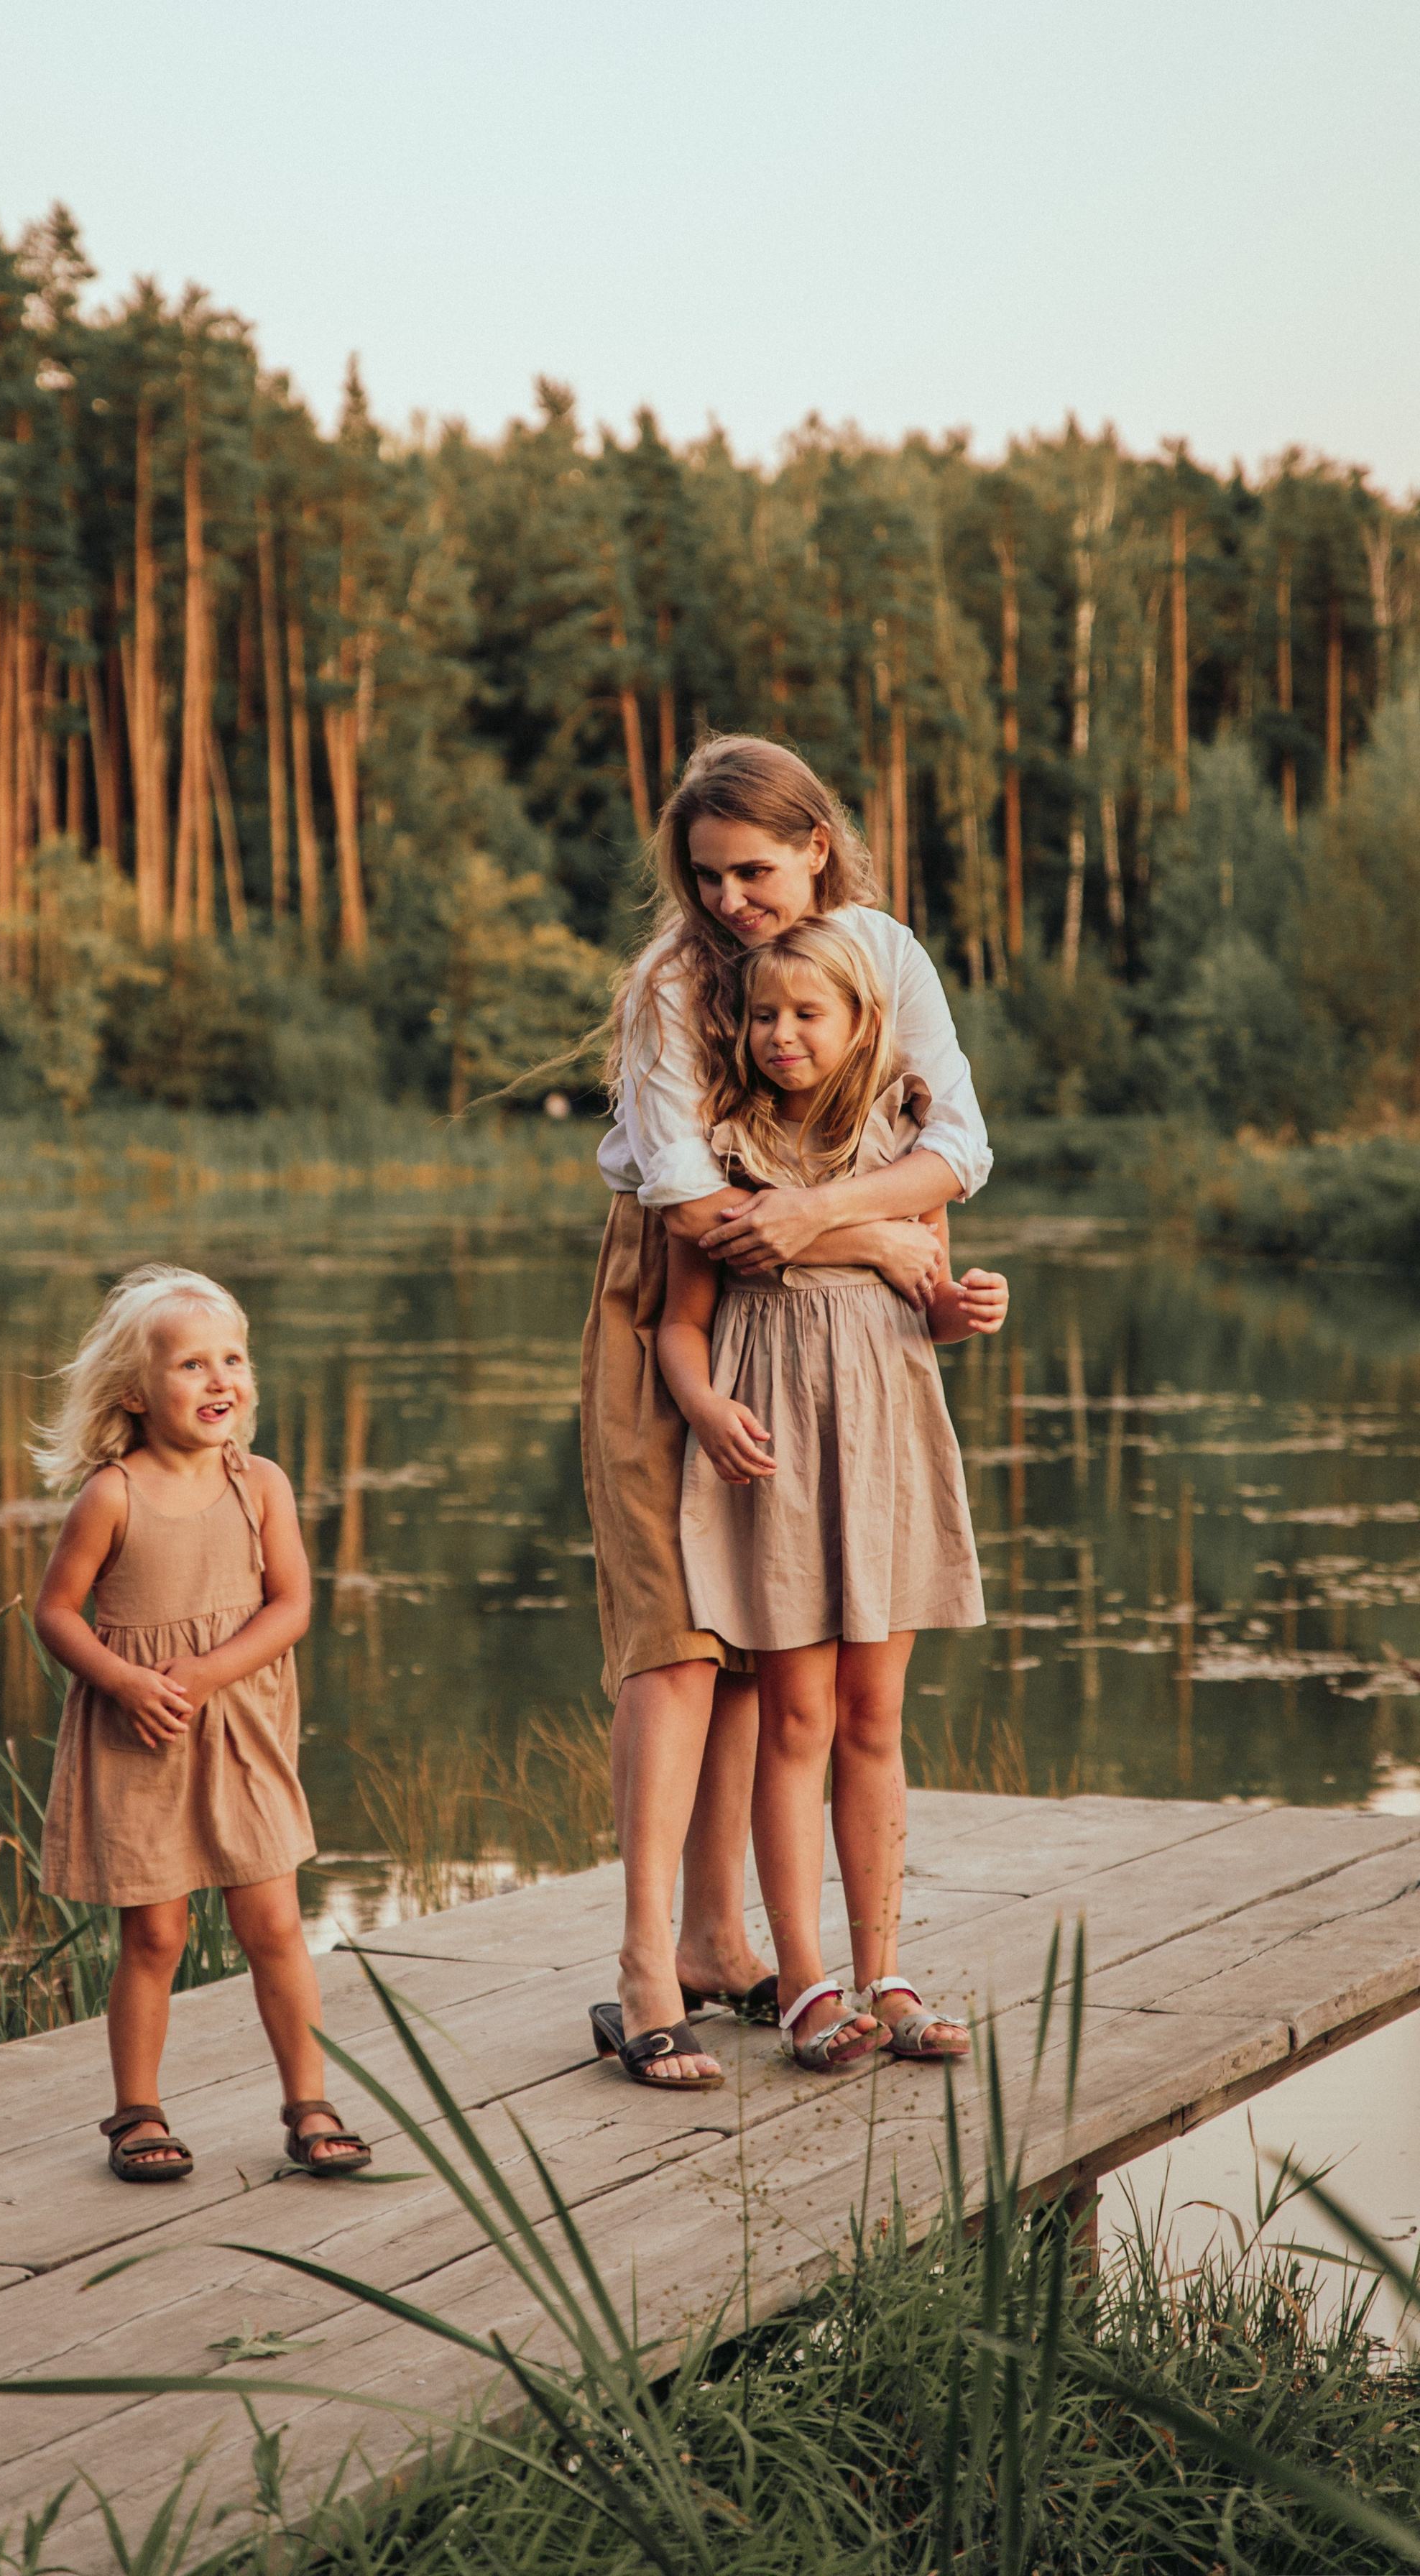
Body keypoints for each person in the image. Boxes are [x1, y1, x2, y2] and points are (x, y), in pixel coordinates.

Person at [581, 735, 992, 2089]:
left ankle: (724, 1938)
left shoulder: (876, 949)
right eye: (705, 877)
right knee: (679, 1635)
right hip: (685, 1296)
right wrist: (874, 1239)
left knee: (775, 1657)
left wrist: (848, 1221)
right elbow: (703, 1209)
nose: (730, 901)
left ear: (819, 844)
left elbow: (959, 1149)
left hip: (842, 1291)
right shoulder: (671, 984)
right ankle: (650, 1969)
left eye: (754, 870)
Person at [650, 921, 1005, 2071]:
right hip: (783, 1461)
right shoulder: (724, 1158)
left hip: (887, 1446)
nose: (783, 1035)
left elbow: (930, 1305)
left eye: (810, 1014)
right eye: (763, 1016)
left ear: (863, 1025)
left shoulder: (904, 1152)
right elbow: (679, 1328)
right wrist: (706, 1410)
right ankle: (803, 1980)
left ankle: (883, 1969)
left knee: (874, 1719)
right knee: (795, 1718)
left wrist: (966, 1308)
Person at [32, 1264, 371, 2181]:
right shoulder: (112, 1495)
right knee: (155, 1936)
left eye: (233, 1359)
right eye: (191, 1364)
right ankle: (136, 2111)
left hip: (242, 1735)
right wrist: (124, 1681)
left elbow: (291, 1605)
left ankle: (310, 2100)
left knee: (274, 1924)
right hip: (141, 1736)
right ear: (135, 1393)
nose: (220, 1379)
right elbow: (57, 1612)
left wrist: (210, 1670)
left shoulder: (259, 1483)